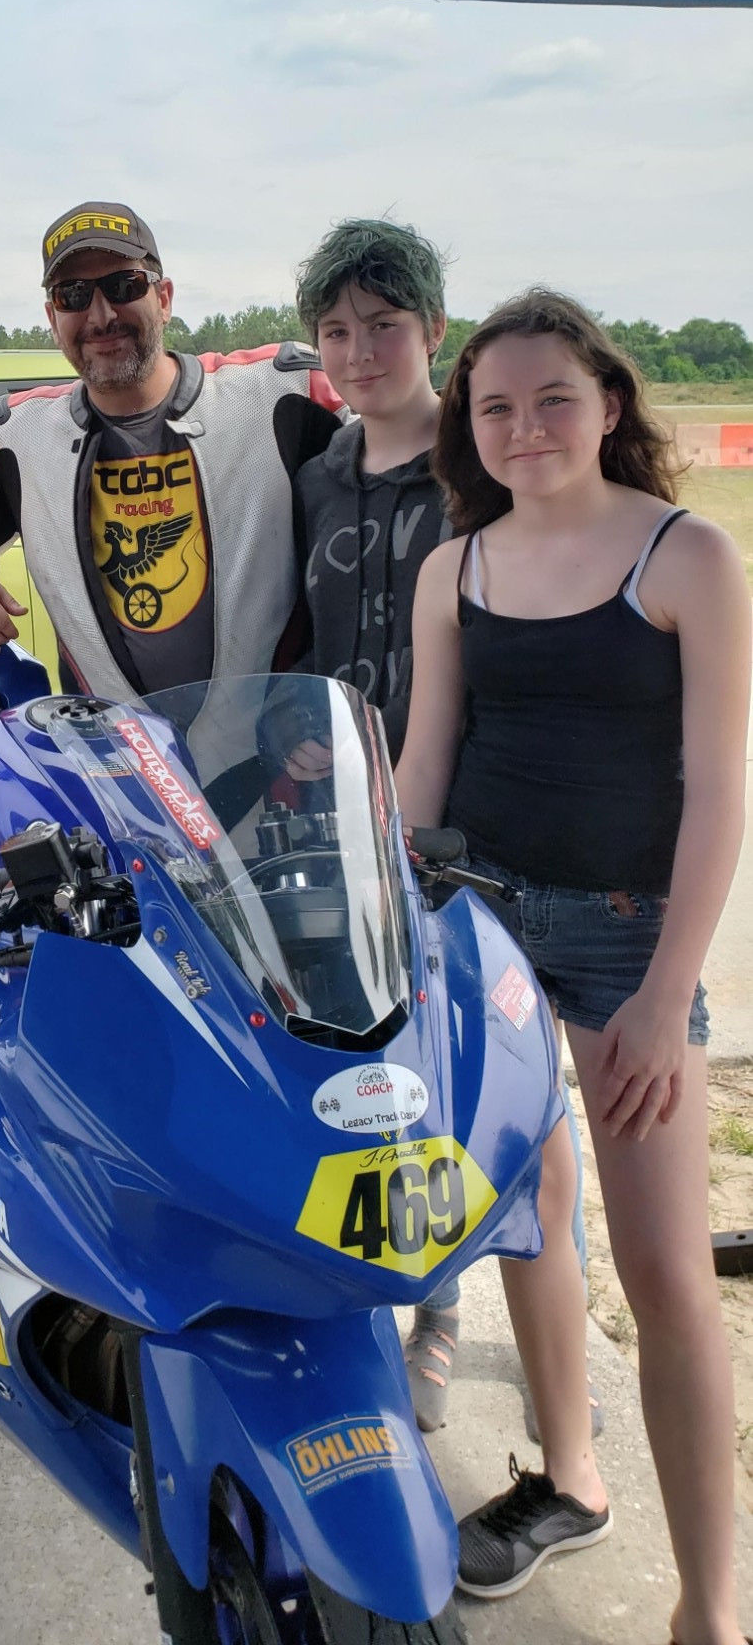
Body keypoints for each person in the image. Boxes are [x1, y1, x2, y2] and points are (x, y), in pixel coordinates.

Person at [396, 290, 748, 1642]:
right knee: (531, 1221)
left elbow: (718, 794)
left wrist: (666, 996)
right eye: (496, 406)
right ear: (470, 430)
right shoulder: (458, 569)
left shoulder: (686, 558)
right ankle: (572, 1476)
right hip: (480, 939)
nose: (526, 425)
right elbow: (428, 768)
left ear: (608, 404)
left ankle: (712, 1609)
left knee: (665, 1280)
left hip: (622, 945)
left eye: (554, 398)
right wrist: (402, 927)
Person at [292, 219, 595, 1438]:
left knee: (488, 1078)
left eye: (385, 325)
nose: (361, 351)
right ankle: (392, 1286)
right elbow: (304, 633)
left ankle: (449, 1311)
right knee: (370, 1066)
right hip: (342, 823)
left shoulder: (482, 470)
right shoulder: (314, 467)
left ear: (433, 332)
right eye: (338, 330)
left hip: (470, 821)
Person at [0, 202, 343, 698]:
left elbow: (401, 457)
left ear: (164, 298)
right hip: (117, 756)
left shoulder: (282, 393)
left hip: (269, 752)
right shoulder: (18, 437)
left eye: (124, 286)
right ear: (54, 319)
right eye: (73, 295)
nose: (101, 316)